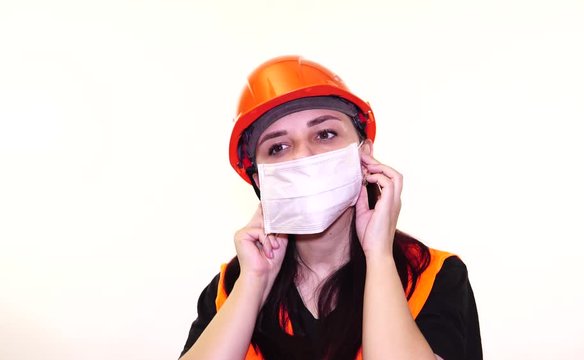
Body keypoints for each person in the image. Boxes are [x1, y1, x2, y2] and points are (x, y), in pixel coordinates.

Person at [179, 56, 482, 360]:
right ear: (260, 180)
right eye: (277, 147)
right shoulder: (230, 288)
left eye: (324, 134)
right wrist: (254, 281)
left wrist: (379, 256)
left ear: (364, 154)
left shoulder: (429, 275)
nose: (304, 156)